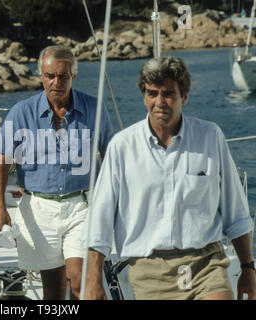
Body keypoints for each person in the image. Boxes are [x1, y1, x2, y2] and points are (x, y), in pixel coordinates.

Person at [84, 56, 256, 300]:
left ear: (184, 97)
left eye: (168, 93)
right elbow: (99, 220)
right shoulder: (122, 147)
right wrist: (93, 281)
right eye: (152, 93)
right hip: (149, 270)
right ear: (144, 96)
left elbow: (236, 213)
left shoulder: (210, 137)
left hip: (206, 263)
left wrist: (248, 269)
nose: (159, 102)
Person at [0, 45, 114, 299]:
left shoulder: (94, 108)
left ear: (73, 76)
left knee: (81, 282)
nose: (56, 82)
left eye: (63, 76)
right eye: (50, 76)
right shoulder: (21, 113)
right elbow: (1, 162)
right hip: (38, 209)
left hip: (82, 206)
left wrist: (113, 202)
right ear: (41, 76)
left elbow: (111, 156)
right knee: (53, 293)